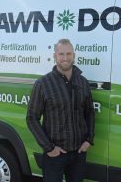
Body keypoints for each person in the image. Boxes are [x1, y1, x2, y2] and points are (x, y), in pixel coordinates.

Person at [27, 39, 95, 182]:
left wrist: (89, 139)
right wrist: (49, 148)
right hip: (55, 154)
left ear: (74, 55)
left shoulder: (82, 82)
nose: (65, 58)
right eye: (61, 54)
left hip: (78, 153)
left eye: (68, 54)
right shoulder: (43, 84)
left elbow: (89, 112)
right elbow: (32, 118)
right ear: (55, 56)